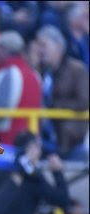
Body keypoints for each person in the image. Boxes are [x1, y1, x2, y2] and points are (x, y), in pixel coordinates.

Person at [0, 130, 70, 214]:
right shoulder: (33, 178)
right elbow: (63, 200)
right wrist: (58, 173)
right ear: (32, 149)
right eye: (38, 147)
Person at [36, 25, 89, 159]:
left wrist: (53, 107)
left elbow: (84, 101)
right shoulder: (40, 70)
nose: (40, 50)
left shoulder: (77, 69)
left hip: (70, 139)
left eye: (44, 45)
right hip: (43, 138)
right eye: (38, 46)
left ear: (58, 47)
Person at [0, 31, 42, 145]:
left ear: (4, 49)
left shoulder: (6, 73)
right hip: (29, 142)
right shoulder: (35, 74)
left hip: (4, 141)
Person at [65, 2, 89, 67]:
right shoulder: (66, 39)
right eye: (84, 17)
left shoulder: (86, 37)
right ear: (73, 19)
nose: (87, 20)